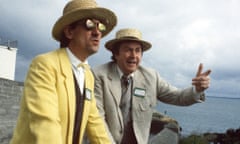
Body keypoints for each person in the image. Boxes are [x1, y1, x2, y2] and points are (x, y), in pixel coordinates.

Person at [10, 0, 117, 144]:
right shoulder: (44, 65)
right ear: (69, 32)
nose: (97, 32)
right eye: (89, 24)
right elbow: (46, 123)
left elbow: (95, 123)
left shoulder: (88, 75)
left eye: (100, 26)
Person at [92, 28, 211, 144]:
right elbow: (98, 119)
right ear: (116, 54)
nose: (133, 55)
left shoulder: (151, 77)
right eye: (128, 50)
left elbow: (177, 96)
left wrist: (197, 90)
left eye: (138, 50)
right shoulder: (98, 75)